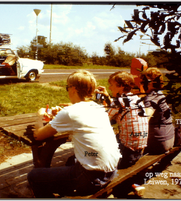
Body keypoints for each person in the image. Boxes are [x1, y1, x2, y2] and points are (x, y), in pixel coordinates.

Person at [27, 70, 121, 198]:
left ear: (73, 89)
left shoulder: (70, 112)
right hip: (111, 171)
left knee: (34, 175)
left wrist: (39, 115)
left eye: (67, 88)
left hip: (92, 177)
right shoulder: (98, 107)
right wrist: (60, 116)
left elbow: (38, 135)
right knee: (71, 160)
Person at [96, 71, 150, 169]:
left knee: (97, 146)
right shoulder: (135, 98)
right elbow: (119, 107)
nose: (109, 87)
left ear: (120, 86)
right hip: (139, 151)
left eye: (111, 85)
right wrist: (107, 96)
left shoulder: (119, 102)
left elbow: (102, 119)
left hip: (126, 155)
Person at [140, 67, 175, 154]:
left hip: (159, 142)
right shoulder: (160, 94)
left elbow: (145, 119)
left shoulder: (152, 97)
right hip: (169, 138)